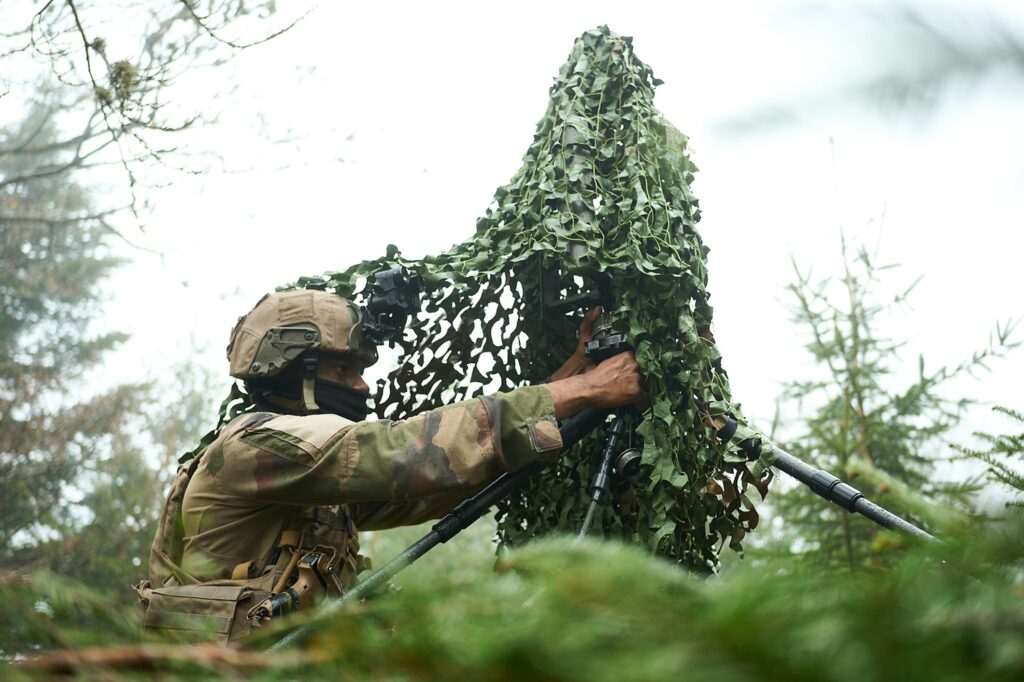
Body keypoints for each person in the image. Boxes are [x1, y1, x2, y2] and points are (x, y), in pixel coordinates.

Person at [135, 289, 645, 644]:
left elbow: (435, 481)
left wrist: (574, 378)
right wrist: (586, 389)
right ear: (292, 371)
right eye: (344, 369)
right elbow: (404, 452)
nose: (362, 386)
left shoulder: (312, 479)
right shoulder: (256, 445)